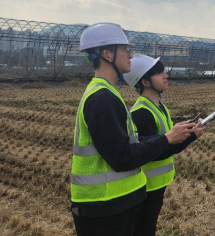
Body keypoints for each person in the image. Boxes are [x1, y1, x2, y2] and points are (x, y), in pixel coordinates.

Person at [70, 23, 198, 236]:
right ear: (107, 54)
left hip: (114, 204)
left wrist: (172, 137)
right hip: (104, 207)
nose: (131, 55)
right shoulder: (102, 99)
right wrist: (166, 139)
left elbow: (130, 144)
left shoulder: (108, 94)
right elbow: (122, 157)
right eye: (125, 49)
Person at [124, 54, 206, 236]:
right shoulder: (141, 112)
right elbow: (156, 151)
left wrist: (191, 131)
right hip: (146, 187)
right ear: (145, 82)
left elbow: (168, 142)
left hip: (156, 186)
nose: (165, 75)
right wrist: (191, 137)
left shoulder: (159, 107)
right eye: (158, 73)